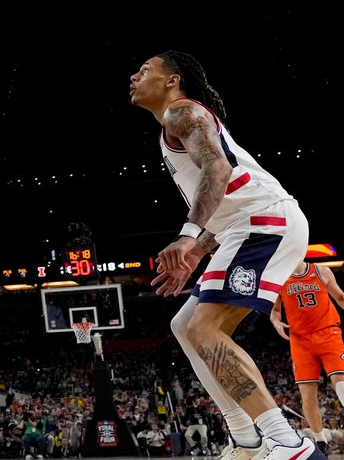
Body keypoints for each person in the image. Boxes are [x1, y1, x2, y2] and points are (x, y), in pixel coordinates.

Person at [134, 50, 325, 460]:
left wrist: (187, 237)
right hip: (246, 225)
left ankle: (288, 444)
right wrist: (197, 250)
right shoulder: (174, 125)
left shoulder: (182, 112)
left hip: (265, 222)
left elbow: (218, 172)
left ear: (172, 80)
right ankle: (246, 438)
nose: (134, 76)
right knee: (184, 326)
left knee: (205, 329)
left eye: (145, 70)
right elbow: (227, 200)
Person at [271, 260, 344, 454]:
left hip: (328, 333)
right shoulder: (279, 277)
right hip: (300, 341)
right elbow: (275, 310)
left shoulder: (321, 272)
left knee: (341, 383)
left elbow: (340, 297)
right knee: (307, 395)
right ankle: (320, 441)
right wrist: (276, 321)